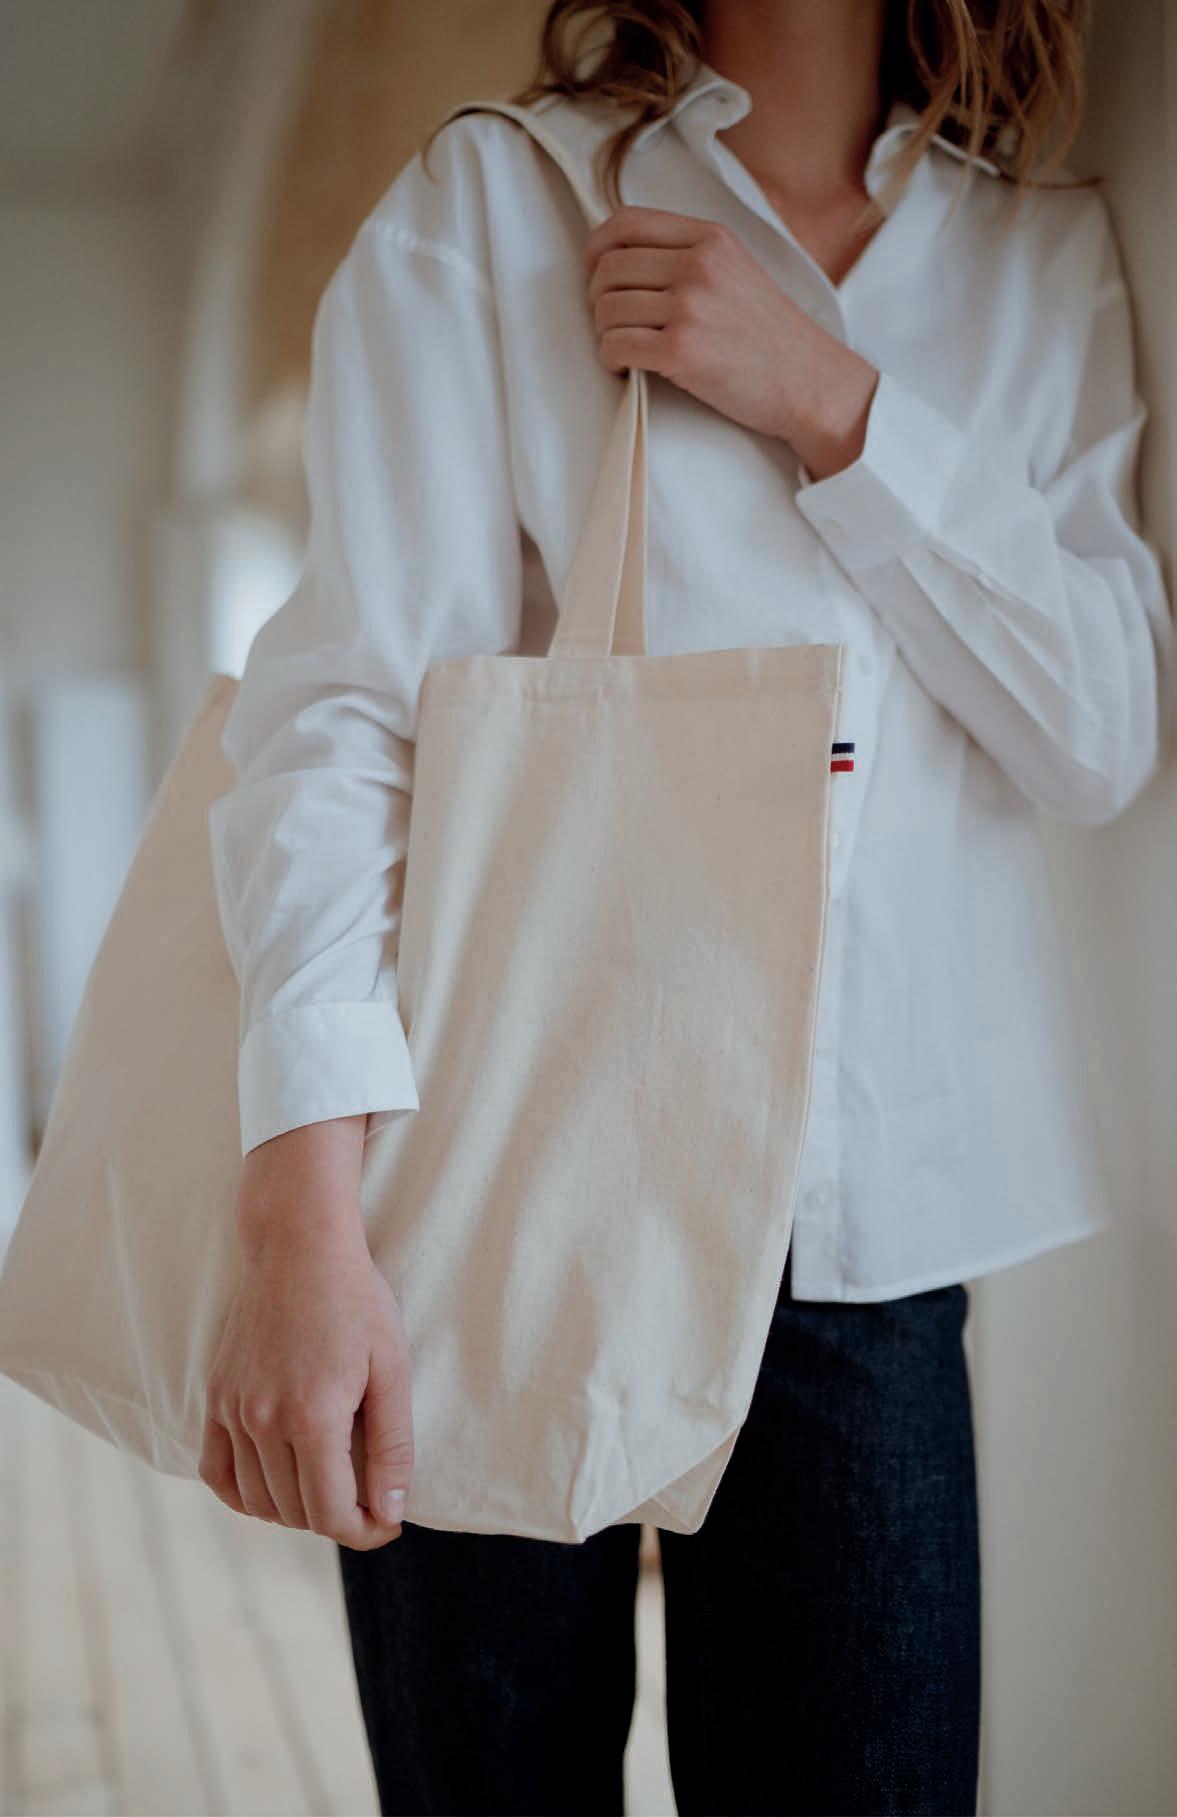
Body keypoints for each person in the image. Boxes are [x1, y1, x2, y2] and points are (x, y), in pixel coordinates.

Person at [200, 0, 1173, 1811]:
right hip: (494, 1197)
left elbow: (1098, 732)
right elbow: (342, 727)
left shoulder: (1034, 264)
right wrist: (299, 1220)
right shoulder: (495, 204)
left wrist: (835, 405)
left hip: (865, 1234)